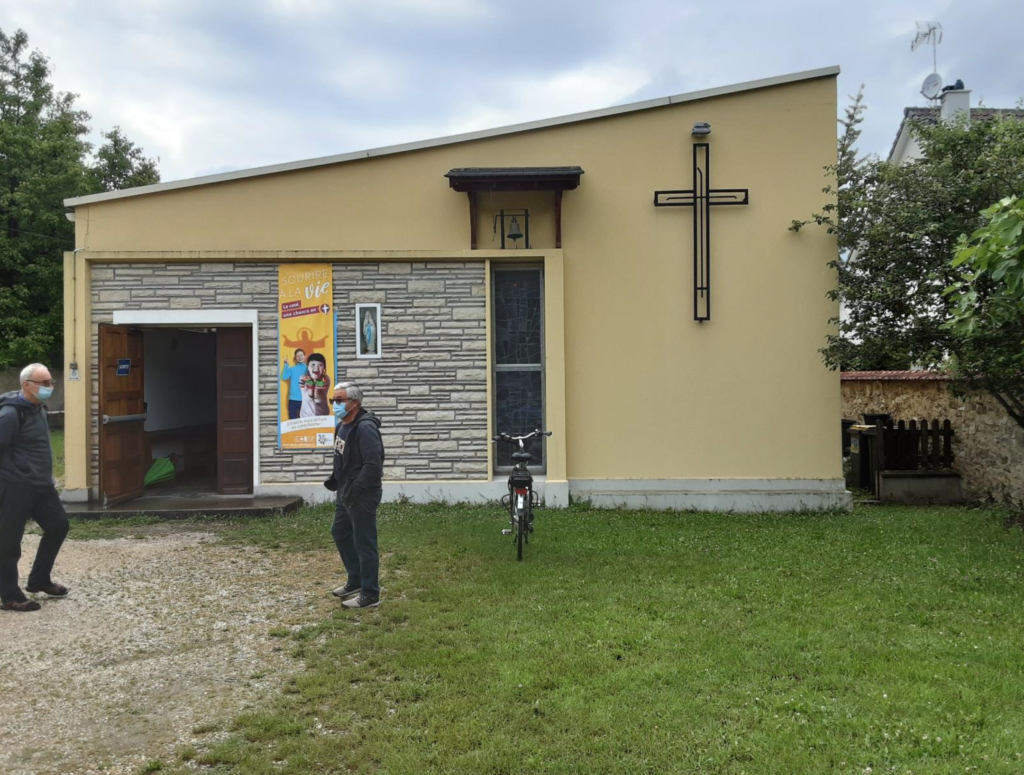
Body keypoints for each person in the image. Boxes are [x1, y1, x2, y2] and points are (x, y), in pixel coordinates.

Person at [0, 364, 70, 613]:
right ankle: (10, 595)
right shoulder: (10, 414)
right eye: (44, 382)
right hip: (16, 486)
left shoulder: (39, 407)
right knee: (8, 542)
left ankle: (39, 580)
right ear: (26, 385)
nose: (49, 387)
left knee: (59, 525)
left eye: (51, 381)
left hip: (42, 485)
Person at [324, 382, 384, 609]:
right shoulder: (342, 426)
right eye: (333, 400)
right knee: (340, 532)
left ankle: (370, 594)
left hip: (362, 493)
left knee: (364, 542)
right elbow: (342, 458)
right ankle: (356, 579)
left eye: (339, 400)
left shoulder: (365, 428)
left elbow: (373, 465)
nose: (335, 405)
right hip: (345, 491)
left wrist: (356, 489)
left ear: (355, 403)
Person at [299, 353, 331, 417]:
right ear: (307, 366)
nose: (316, 368)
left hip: (322, 415)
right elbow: (307, 399)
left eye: (320, 365)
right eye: (313, 364)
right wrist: (311, 386)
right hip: (306, 415)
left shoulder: (326, 379)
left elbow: (319, 400)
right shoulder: (303, 378)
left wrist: (316, 387)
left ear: (324, 367)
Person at [280, 349, 307, 420]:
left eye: (301, 355)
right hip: (292, 400)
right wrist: (286, 364)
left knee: (306, 422)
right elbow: (283, 377)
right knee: (292, 422)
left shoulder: (308, 368)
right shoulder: (292, 369)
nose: (300, 357)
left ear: (305, 356)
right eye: (297, 356)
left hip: (305, 399)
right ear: (295, 358)